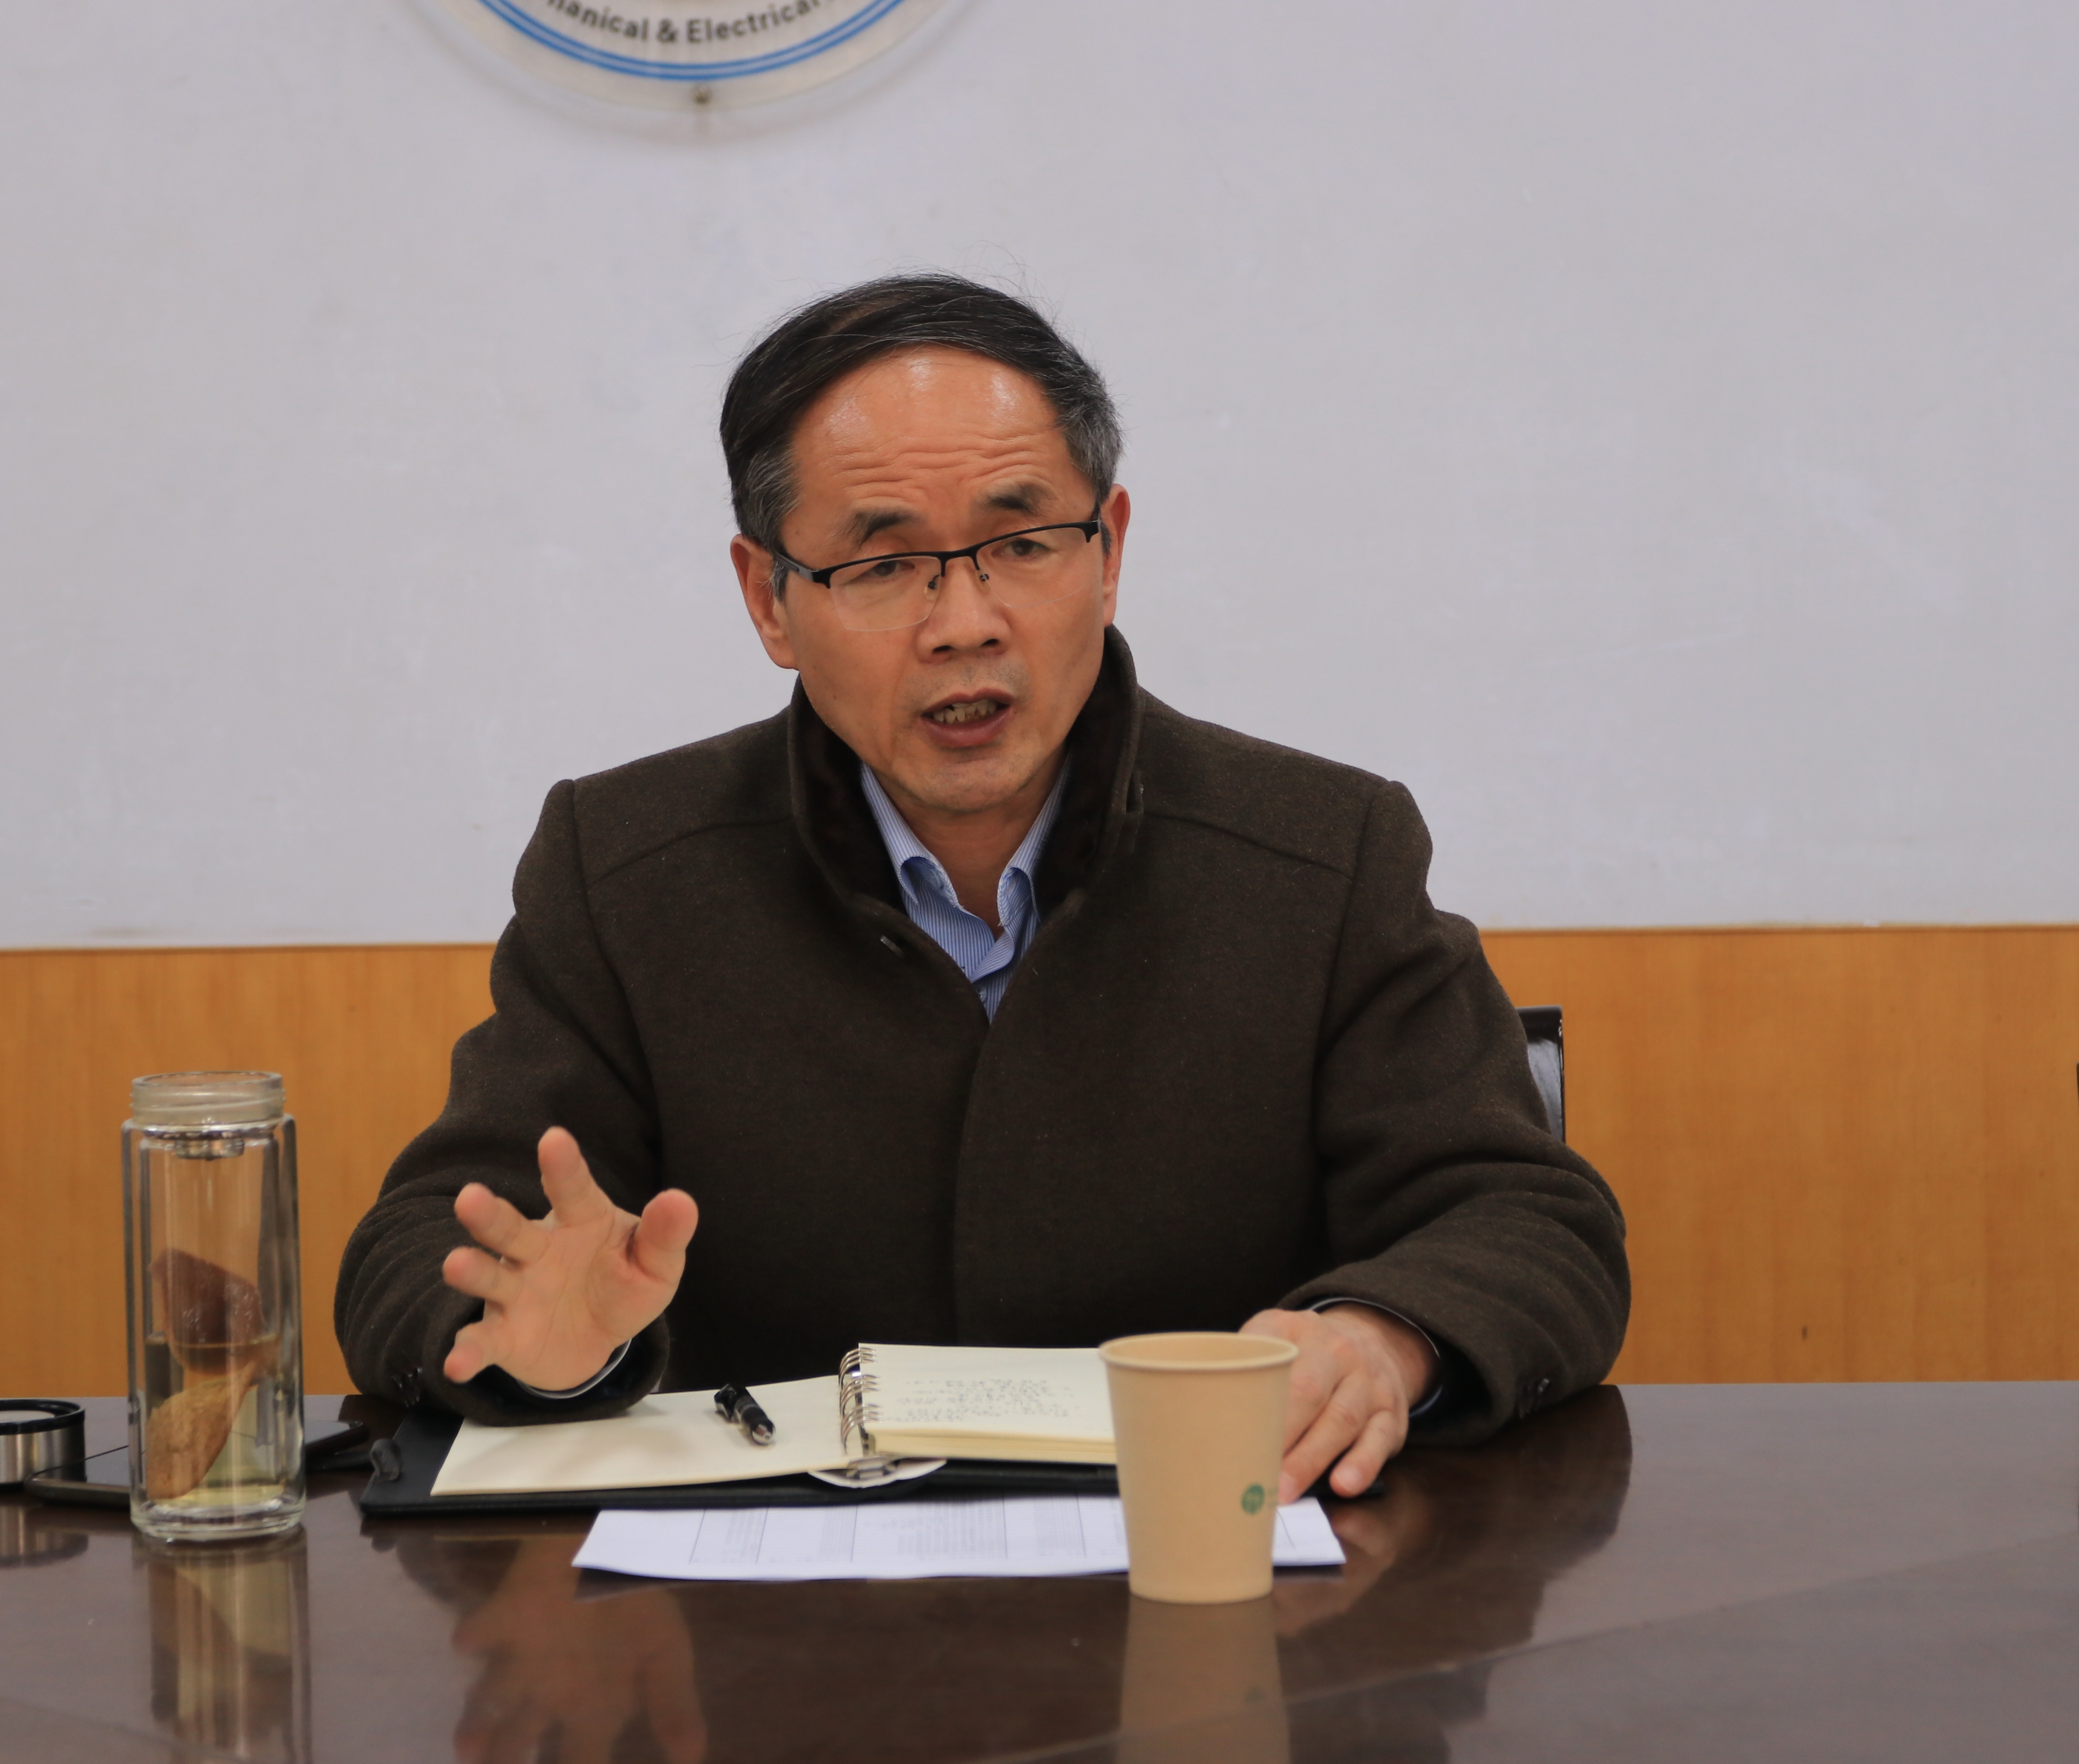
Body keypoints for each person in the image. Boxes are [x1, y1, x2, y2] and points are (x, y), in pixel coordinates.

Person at [336, 274, 1629, 1502]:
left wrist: (1383, 1337)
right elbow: (419, 1249)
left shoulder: (1323, 854)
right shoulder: (625, 870)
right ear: (769, 599)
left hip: (1212, 1568)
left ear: (1109, 551)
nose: (965, 622)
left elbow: (1530, 1219)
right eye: (881, 564)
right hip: (764, 1608)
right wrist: (548, 1348)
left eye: (1022, 542)